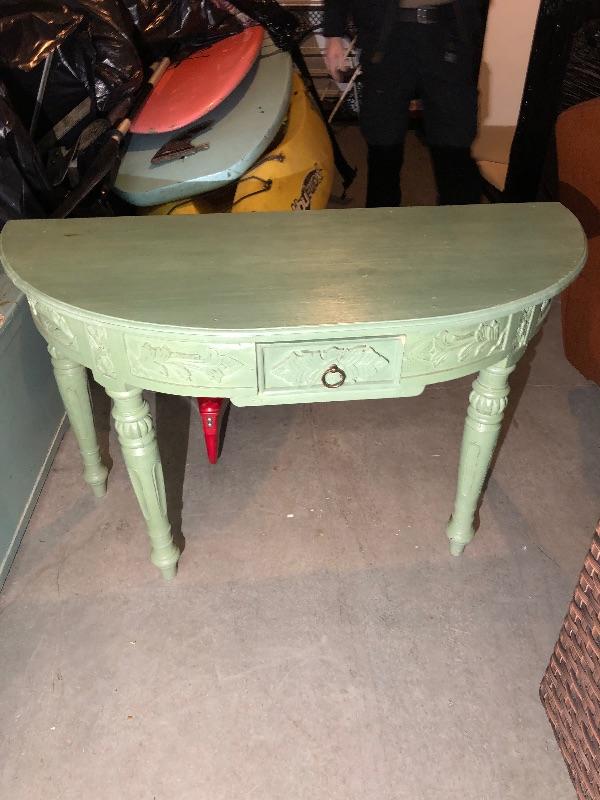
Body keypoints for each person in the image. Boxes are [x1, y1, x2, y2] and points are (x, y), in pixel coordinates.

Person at [323, 0, 484, 207]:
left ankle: (460, 221)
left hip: (449, 32)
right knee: (382, 141)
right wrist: (333, 34)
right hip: (385, 36)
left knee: (455, 141)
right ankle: (383, 220)